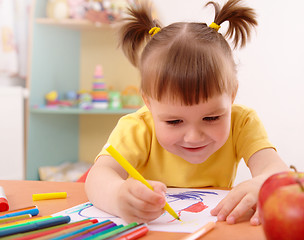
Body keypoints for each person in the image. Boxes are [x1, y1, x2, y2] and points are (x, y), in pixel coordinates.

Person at [85, 0, 289, 225]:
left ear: (232, 95)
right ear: (149, 103)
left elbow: (275, 168)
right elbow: (97, 177)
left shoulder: (242, 122)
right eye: (174, 121)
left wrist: (263, 183)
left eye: (211, 118)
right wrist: (117, 196)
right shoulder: (138, 127)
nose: (194, 137)